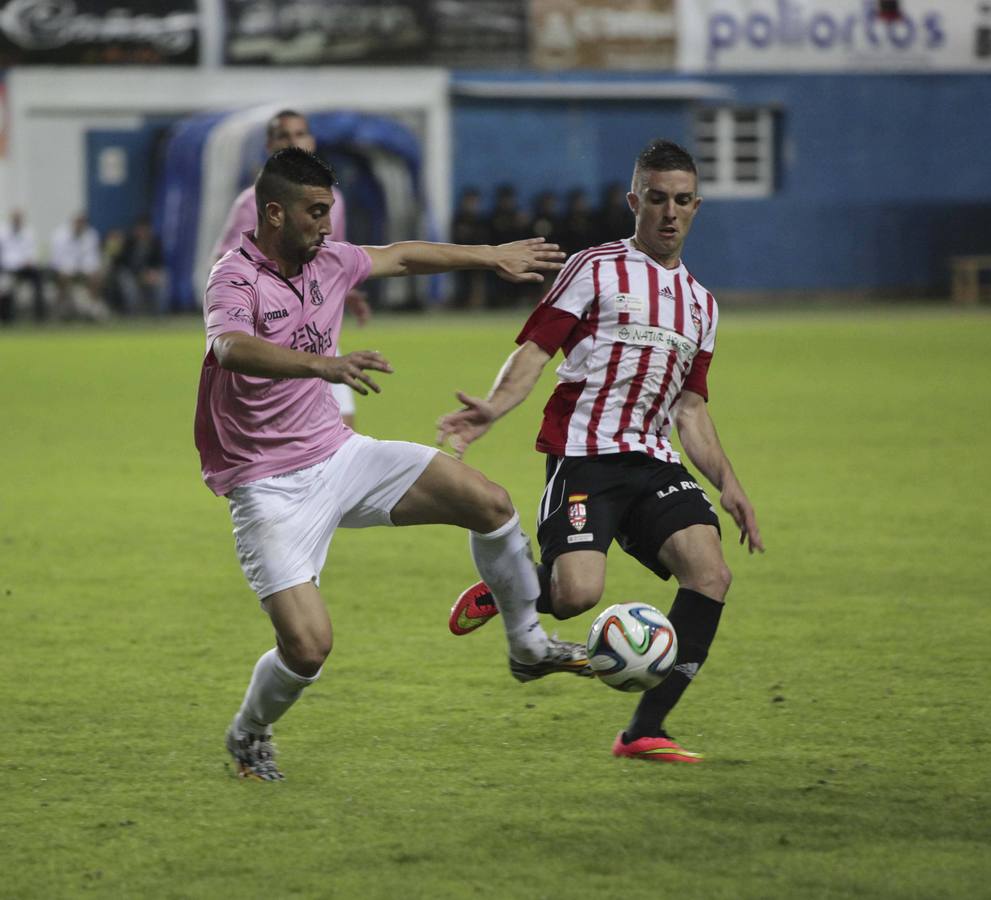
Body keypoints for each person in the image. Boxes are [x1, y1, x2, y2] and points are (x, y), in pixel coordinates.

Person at [196, 148, 591, 781]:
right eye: (315, 212)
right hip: (266, 486)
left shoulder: (329, 262)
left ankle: (527, 644)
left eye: (330, 211)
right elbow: (231, 347)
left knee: (488, 503)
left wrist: (492, 257)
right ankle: (249, 731)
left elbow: (403, 255)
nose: (328, 226)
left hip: (339, 455)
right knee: (307, 649)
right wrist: (324, 365)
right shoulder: (233, 276)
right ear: (274, 212)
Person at [438, 140, 764, 764]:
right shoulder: (594, 267)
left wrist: (729, 482)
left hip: (653, 461)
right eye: (658, 199)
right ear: (634, 202)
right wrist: (492, 407)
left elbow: (689, 409)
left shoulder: (701, 305)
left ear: (698, 206)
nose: (670, 213)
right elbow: (536, 348)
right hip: (584, 455)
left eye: (683, 201)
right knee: (578, 595)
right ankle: (519, 588)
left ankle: (644, 730)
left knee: (712, 574)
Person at [212, 108, 369, 427]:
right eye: (284, 135)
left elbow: (331, 258)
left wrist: (345, 291)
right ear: (269, 145)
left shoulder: (332, 198)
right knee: (278, 429)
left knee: (344, 423)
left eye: (300, 134)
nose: (293, 142)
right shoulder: (251, 203)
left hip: (316, 323)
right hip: (274, 332)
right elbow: (226, 263)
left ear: (311, 141)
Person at [50, 213, 109, 321]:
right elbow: (57, 259)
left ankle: (93, 309)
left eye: (82, 223)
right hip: (64, 269)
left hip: (84, 268)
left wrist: (88, 270)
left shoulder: (91, 235)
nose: (79, 225)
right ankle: (61, 309)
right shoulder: (60, 235)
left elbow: (92, 258)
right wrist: (69, 269)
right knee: (62, 277)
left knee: (96, 277)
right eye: (77, 223)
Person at [0, 209, 45, 323]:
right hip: (7, 268)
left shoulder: (29, 233)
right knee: (6, 285)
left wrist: (29, 261)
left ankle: (40, 316)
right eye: (15, 218)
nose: (17, 221)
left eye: (19, 218)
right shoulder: (2, 232)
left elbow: (33, 252)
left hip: (25, 268)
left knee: (38, 278)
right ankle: (7, 318)